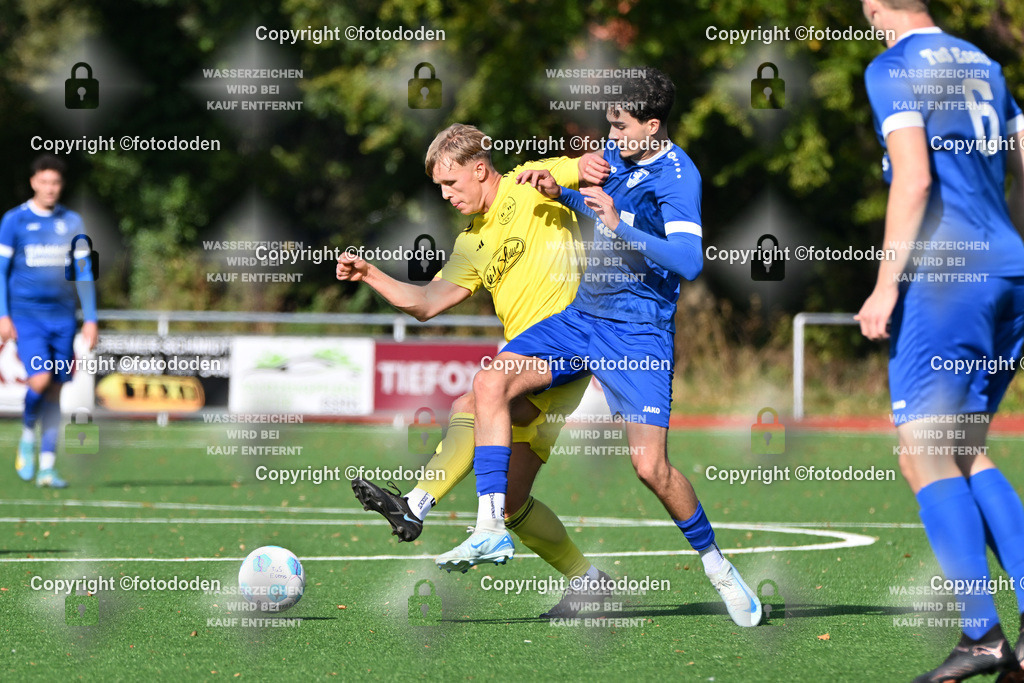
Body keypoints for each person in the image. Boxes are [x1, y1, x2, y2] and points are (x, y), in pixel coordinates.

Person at [435, 68, 762, 628]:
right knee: (490, 380)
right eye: (607, 124)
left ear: (652, 126)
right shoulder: (618, 154)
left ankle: (719, 568)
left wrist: (619, 222)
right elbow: (597, 210)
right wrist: (560, 191)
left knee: (650, 467)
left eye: (621, 125)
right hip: (582, 318)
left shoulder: (679, 177)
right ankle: (491, 527)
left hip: (637, 336)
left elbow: (688, 261)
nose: (609, 136)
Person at [339, 123, 615, 617]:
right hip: (533, 358)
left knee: (478, 395)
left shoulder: (535, 181)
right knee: (513, 500)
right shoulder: (472, 241)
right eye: (439, 188)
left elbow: (597, 167)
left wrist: (605, 155)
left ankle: (416, 505)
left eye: (451, 183)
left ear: (480, 168)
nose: (445, 195)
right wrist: (371, 275)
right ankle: (589, 583)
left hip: (575, 338)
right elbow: (426, 303)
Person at [855, 0, 1024, 680]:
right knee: (961, 448)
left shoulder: (894, 64)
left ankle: (981, 635)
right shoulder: (985, 63)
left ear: (874, 6)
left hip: (947, 280)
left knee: (924, 452)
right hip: (1010, 270)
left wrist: (886, 284)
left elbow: (916, 177)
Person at [0, 154, 98, 488]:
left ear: (61, 185)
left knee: (57, 392)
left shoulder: (72, 222)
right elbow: (1, 272)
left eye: (55, 182)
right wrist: (3, 314)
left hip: (63, 319)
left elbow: (83, 273)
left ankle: (47, 467)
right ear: (33, 183)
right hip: (28, 318)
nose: (50, 188)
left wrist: (91, 318)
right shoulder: (14, 220)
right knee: (39, 381)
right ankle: (27, 432)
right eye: (44, 181)